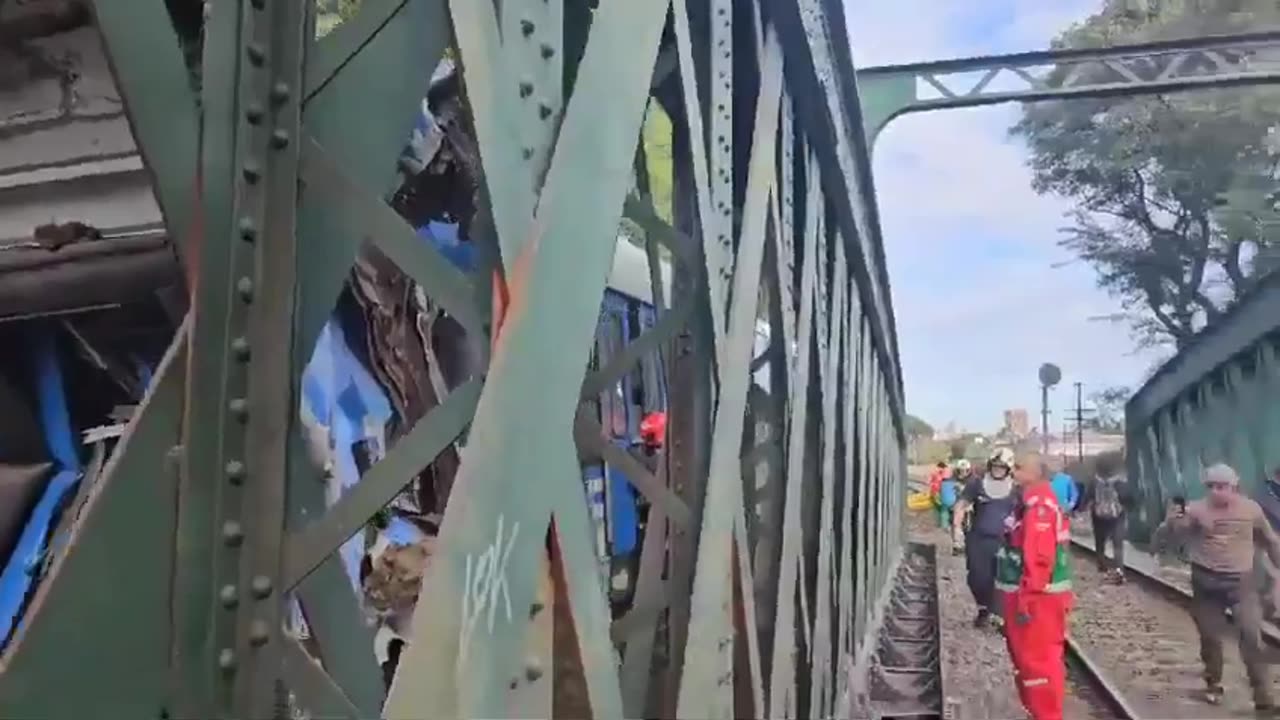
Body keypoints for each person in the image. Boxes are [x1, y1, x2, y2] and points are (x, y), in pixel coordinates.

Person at [1152, 463, 1280, 714]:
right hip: (1206, 583)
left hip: (1241, 584)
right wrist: (1170, 524)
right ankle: (1213, 681)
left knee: (1251, 636)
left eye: (1223, 487)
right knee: (1211, 637)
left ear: (1235, 486)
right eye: (1212, 487)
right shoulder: (1197, 511)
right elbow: (1174, 535)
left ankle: (1263, 696)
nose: (1218, 492)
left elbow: (1269, 539)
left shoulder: (1250, 510)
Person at [995, 450, 1073, 720]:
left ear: (1035, 472)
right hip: (1033, 596)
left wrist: (1026, 598)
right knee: (1030, 662)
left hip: (1037, 599)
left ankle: (1045, 714)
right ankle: (1037, 711)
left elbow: (1039, 557)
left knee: (1037, 663)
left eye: (1018, 467)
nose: (1013, 473)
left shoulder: (1038, 505)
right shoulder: (1029, 501)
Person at [953, 448, 1018, 628]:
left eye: (1002, 467)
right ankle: (983, 608)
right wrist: (957, 530)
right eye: (995, 466)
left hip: (1005, 541)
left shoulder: (1016, 488)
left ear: (1008, 468)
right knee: (977, 577)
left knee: (1001, 579)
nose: (997, 470)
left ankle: (998, 613)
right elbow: (961, 505)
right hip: (978, 539)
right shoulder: (977, 484)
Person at [1083, 454, 1134, 584]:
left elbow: (1087, 498)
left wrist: (1080, 509)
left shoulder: (1094, 482)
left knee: (1100, 543)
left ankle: (1102, 567)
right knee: (1118, 545)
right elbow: (1128, 498)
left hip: (1098, 516)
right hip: (1117, 516)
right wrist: (1129, 507)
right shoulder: (1119, 482)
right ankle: (1119, 570)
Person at [928, 461, 951, 528]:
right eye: (943, 468)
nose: (943, 470)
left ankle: (940, 524)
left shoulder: (943, 473)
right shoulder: (936, 473)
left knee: (941, 509)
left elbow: (929, 482)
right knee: (940, 508)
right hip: (937, 493)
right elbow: (929, 482)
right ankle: (941, 524)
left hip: (940, 493)